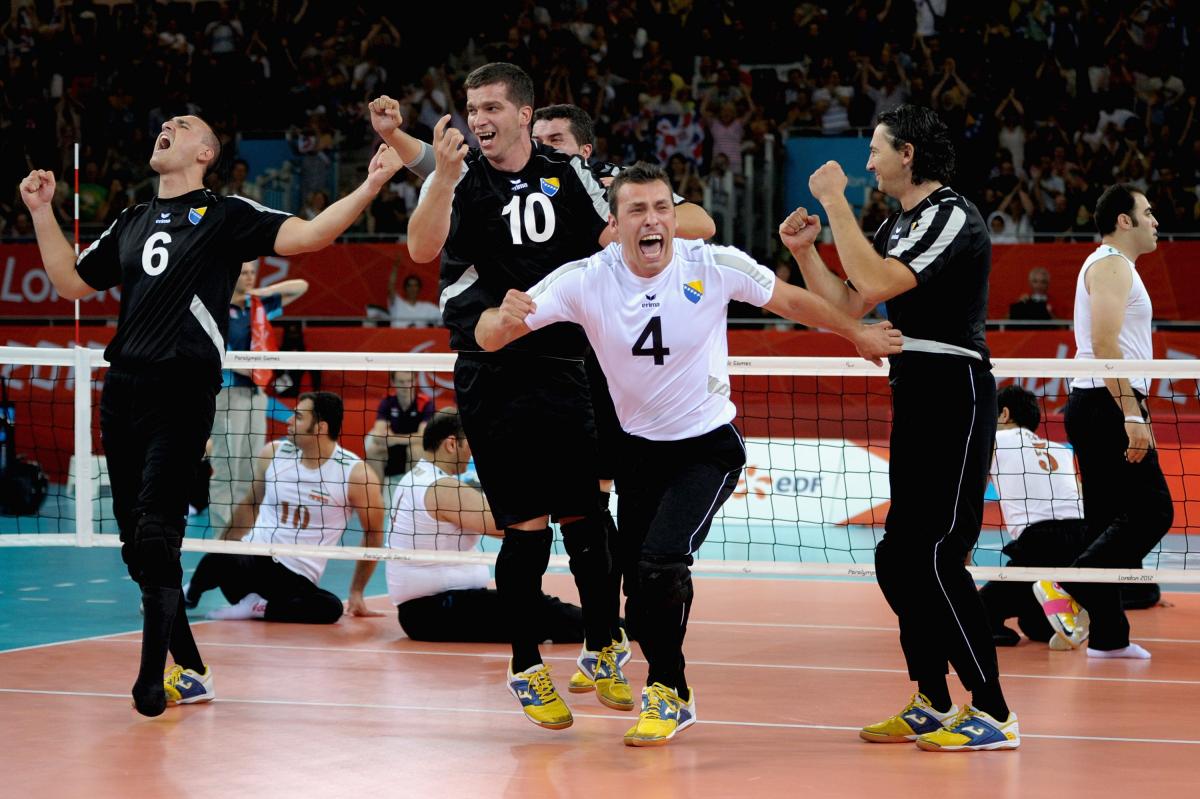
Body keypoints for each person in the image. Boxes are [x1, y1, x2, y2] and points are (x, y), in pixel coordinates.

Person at [475, 162, 903, 746]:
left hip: (707, 448)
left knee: (661, 565)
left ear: (675, 219)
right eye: (637, 210)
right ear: (615, 221)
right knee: (640, 585)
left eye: (661, 209)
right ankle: (668, 683)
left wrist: (855, 333)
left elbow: (790, 302)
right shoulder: (584, 278)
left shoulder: (711, 264)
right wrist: (499, 322)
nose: (652, 221)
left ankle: (669, 690)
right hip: (637, 455)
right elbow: (496, 334)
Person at [20, 114, 404, 717]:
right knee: (134, 545)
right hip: (123, 391)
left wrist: (371, 184)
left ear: (205, 152)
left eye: (184, 124)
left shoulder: (224, 214)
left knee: (156, 532)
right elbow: (70, 282)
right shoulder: (130, 220)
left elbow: (307, 237)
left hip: (182, 389)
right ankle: (193, 668)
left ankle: (152, 680)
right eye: (164, 123)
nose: (167, 125)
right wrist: (43, 212)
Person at [780, 104, 1019, 751]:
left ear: (908, 153)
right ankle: (933, 698)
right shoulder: (899, 223)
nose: (867, 163)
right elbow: (848, 303)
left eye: (877, 150)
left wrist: (833, 202)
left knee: (939, 552)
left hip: (956, 392)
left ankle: (993, 710)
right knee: (897, 555)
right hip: (913, 392)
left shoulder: (951, 215)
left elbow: (880, 279)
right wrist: (804, 253)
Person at [404, 63, 626, 731]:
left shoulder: (565, 172)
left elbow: (607, 240)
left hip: (562, 363)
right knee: (525, 528)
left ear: (524, 113)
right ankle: (526, 664)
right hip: (491, 363)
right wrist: (439, 174)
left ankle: (604, 646)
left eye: (492, 105)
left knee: (587, 516)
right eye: (472, 107)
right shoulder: (463, 178)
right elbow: (421, 249)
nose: (478, 117)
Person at [530, 100, 715, 694]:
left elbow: (705, 227)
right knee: (581, 511)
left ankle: (628, 641)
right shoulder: (525, 192)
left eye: (556, 139)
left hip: (621, 373)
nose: (545, 148)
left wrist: (631, 218)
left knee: (628, 528)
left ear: (585, 149)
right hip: (558, 371)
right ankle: (601, 639)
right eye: (539, 140)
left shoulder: (613, 186)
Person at [1041, 183, 1174, 661]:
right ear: (1124, 220)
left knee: (1104, 521)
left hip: (1099, 401)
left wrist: (1134, 406)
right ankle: (1069, 583)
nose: (1155, 220)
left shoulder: (1115, 267)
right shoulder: (1112, 264)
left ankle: (1109, 639)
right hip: (1105, 402)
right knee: (1155, 511)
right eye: (1148, 211)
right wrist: (1132, 412)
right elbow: (1104, 344)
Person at [386, 409, 586, 643]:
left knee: (531, 605)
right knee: (538, 610)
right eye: (469, 442)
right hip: (435, 610)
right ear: (451, 444)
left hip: (437, 608)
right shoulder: (440, 487)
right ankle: (613, 630)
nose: (473, 451)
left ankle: (608, 627)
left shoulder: (418, 478)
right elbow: (506, 526)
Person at [187, 392, 385, 628]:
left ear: (320, 427)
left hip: (294, 578)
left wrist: (356, 592)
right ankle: (188, 594)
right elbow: (250, 505)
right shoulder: (274, 453)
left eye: (298, 417)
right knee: (222, 552)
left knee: (330, 608)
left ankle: (259, 607)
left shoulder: (356, 475)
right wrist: (224, 550)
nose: (289, 421)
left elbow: (373, 533)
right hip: (253, 562)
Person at [980, 385, 1088, 649]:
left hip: (1041, 541)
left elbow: (972, 493)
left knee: (976, 615)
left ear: (1003, 414)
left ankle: (1052, 594)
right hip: (1082, 540)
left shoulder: (994, 438)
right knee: (1033, 625)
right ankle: (1062, 600)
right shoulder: (1061, 449)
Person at [209, 258, 309, 532]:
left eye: (253, 272)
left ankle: (244, 530)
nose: (250, 277)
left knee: (251, 465)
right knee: (227, 464)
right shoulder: (214, 305)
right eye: (243, 273)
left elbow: (301, 286)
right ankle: (223, 533)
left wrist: (260, 293)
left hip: (256, 395)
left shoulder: (257, 307)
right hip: (227, 394)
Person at [364, 370, 435, 488]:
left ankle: (411, 497)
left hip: (412, 451)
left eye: (409, 381)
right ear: (393, 382)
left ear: (415, 380)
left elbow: (423, 437)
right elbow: (377, 435)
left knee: (415, 450)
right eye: (401, 382)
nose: (406, 386)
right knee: (373, 451)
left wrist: (394, 439)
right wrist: (384, 438)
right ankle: (377, 498)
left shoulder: (426, 404)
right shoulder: (387, 402)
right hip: (392, 452)